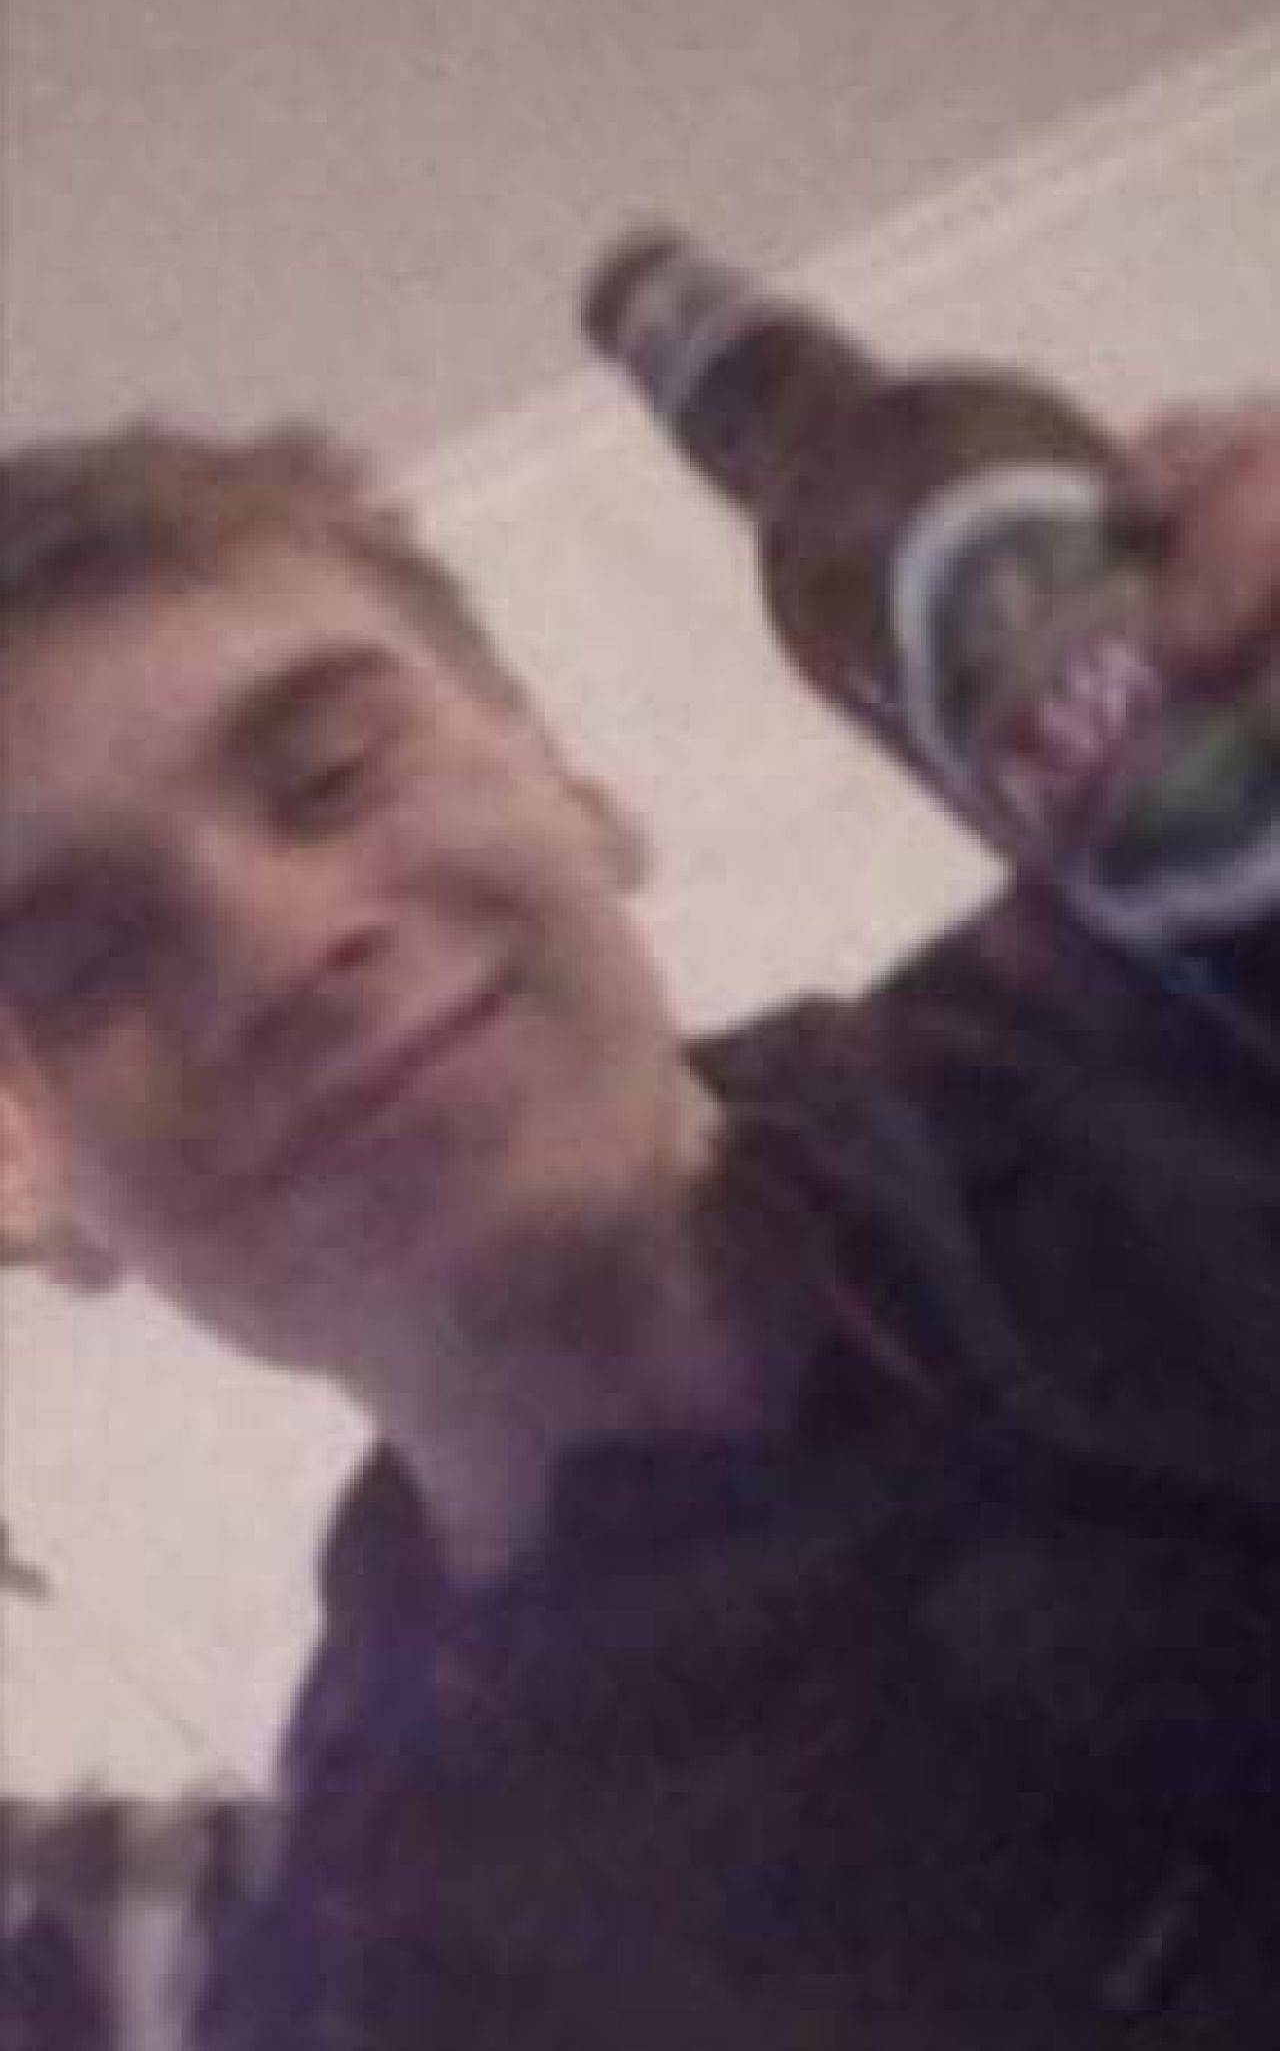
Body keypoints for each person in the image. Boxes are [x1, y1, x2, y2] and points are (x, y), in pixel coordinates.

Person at [1, 401, 1278, 2049]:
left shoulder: (1182, 1004)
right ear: (31, 1172)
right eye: (87, 961)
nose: (281, 947)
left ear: (571, 779)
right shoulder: (403, 1976)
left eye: (330, 775)